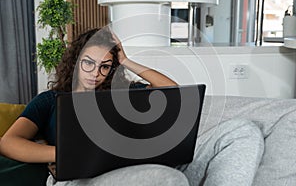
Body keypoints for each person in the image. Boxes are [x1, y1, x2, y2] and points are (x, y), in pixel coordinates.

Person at [0, 27, 264, 186]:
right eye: (88, 63)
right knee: (167, 181)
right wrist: (63, 154)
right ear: (76, 61)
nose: (95, 73)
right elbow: (8, 142)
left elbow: (173, 93)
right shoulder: (50, 100)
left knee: (242, 132)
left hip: (150, 167)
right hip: (83, 179)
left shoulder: (124, 93)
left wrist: (126, 61)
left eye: (105, 66)